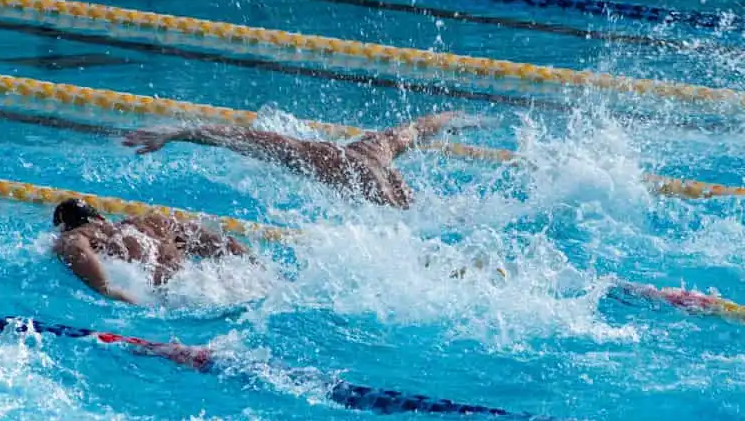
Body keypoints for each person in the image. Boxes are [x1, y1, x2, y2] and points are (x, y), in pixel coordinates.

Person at [121, 111, 485, 209]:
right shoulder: (379, 148)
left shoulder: (326, 158)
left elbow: (246, 139)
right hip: (417, 212)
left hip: (388, 217)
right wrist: (456, 118)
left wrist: (177, 132)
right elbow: (419, 127)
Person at [52, 198, 254, 304]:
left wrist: (106, 290)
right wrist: (254, 263)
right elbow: (218, 242)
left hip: (168, 298)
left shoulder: (78, 234)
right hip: (205, 285)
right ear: (101, 217)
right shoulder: (151, 222)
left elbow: (78, 251)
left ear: (65, 227)